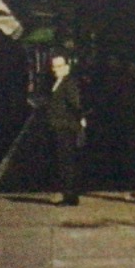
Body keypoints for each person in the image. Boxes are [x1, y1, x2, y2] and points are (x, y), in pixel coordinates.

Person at [48, 53, 86, 206]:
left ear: (66, 67)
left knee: (67, 162)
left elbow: (75, 104)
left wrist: (81, 120)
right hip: (60, 126)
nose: (55, 69)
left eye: (58, 66)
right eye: (53, 66)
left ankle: (70, 196)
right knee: (64, 162)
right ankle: (69, 194)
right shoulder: (59, 81)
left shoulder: (69, 83)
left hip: (66, 127)